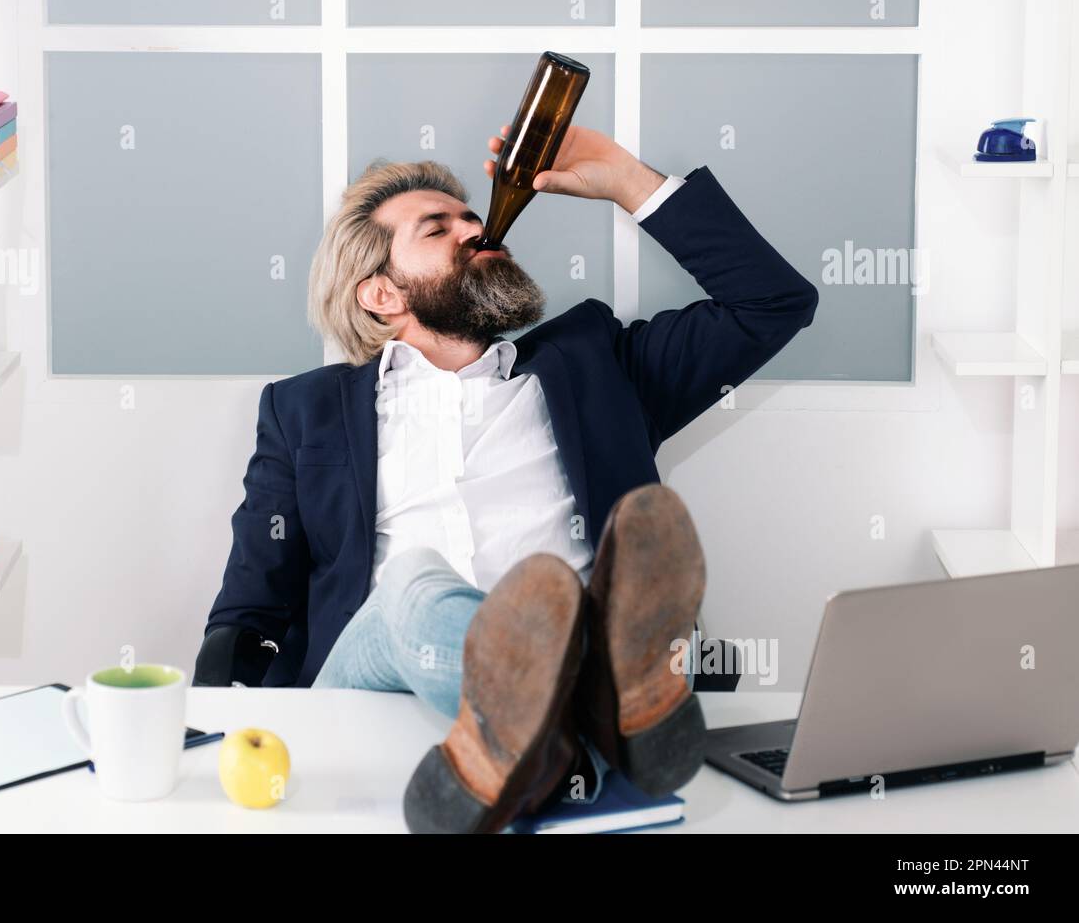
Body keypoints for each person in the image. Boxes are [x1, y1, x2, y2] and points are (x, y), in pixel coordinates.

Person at [194, 122, 819, 832]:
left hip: (514, 723)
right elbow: (250, 610)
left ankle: (536, 744)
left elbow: (773, 303)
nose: (476, 227)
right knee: (411, 582)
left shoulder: (596, 365)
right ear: (381, 295)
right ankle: (593, 715)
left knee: (574, 596)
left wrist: (623, 178)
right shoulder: (305, 411)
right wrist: (208, 737)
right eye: (438, 228)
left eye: (471, 217)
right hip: (379, 694)